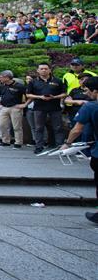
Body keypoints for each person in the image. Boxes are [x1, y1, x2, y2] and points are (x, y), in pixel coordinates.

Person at [56, 77, 98, 224]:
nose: (86, 94)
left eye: (87, 90)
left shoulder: (91, 106)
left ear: (95, 91)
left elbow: (77, 129)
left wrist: (67, 143)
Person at [26, 63, 67, 155]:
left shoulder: (58, 81)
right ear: (38, 70)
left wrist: (55, 97)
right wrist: (40, 97)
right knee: (39, 128)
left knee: (58, 127)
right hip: (39, 107)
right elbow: (28, 94)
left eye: (45, 69)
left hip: (55, 107)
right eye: (41, 69)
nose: (43, 70)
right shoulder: (33, 82)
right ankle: (39, 146)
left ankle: (60, 146)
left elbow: (65, 93)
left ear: (49, 70)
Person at [0, 70, 27, 149]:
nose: (0, 79)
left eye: (1, 77)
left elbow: (28, 95)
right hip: (4, 107)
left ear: (7, 77)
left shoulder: (19, 86)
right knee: (2, 125)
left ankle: (18, 142)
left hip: (15, 107)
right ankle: (5, 141)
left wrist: (25, 104)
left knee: (17, 126)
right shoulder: (2, 86)